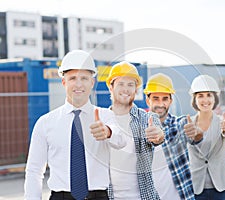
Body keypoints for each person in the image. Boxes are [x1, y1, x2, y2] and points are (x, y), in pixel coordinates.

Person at [24, 50, 126, 200]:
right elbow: (34, 170)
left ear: (92, 83)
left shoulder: (106, 116)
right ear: (64, 82)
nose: (78, 84)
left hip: (98, 196)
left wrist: (108, 132)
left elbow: (121, 140)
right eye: (72, 78)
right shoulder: (45, 123)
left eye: (84, 78)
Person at [106, 61, 165, 200]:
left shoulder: (147, 118)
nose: (125, 89)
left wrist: (158, 135)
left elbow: (159, 135)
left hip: (143, 197)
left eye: (130, 84)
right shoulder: (102, 120)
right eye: (120, 84)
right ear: (110, 87)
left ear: (136, 89)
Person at [184, 75, 225, 200]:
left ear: (215, 99)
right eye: (200, 96)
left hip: (223, 187)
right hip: (197, 188)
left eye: (209, 95)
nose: (205, 99)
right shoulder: (188, 124)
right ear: (194, 99)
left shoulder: (224, 121)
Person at [144, 73, 195, 200]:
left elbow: (197, 137)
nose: (160, 104)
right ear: (148, 100)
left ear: (170, 101)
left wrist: (196, 133)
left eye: (165, 99)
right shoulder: (139, 129)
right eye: (156, 98)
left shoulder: (180, 125)